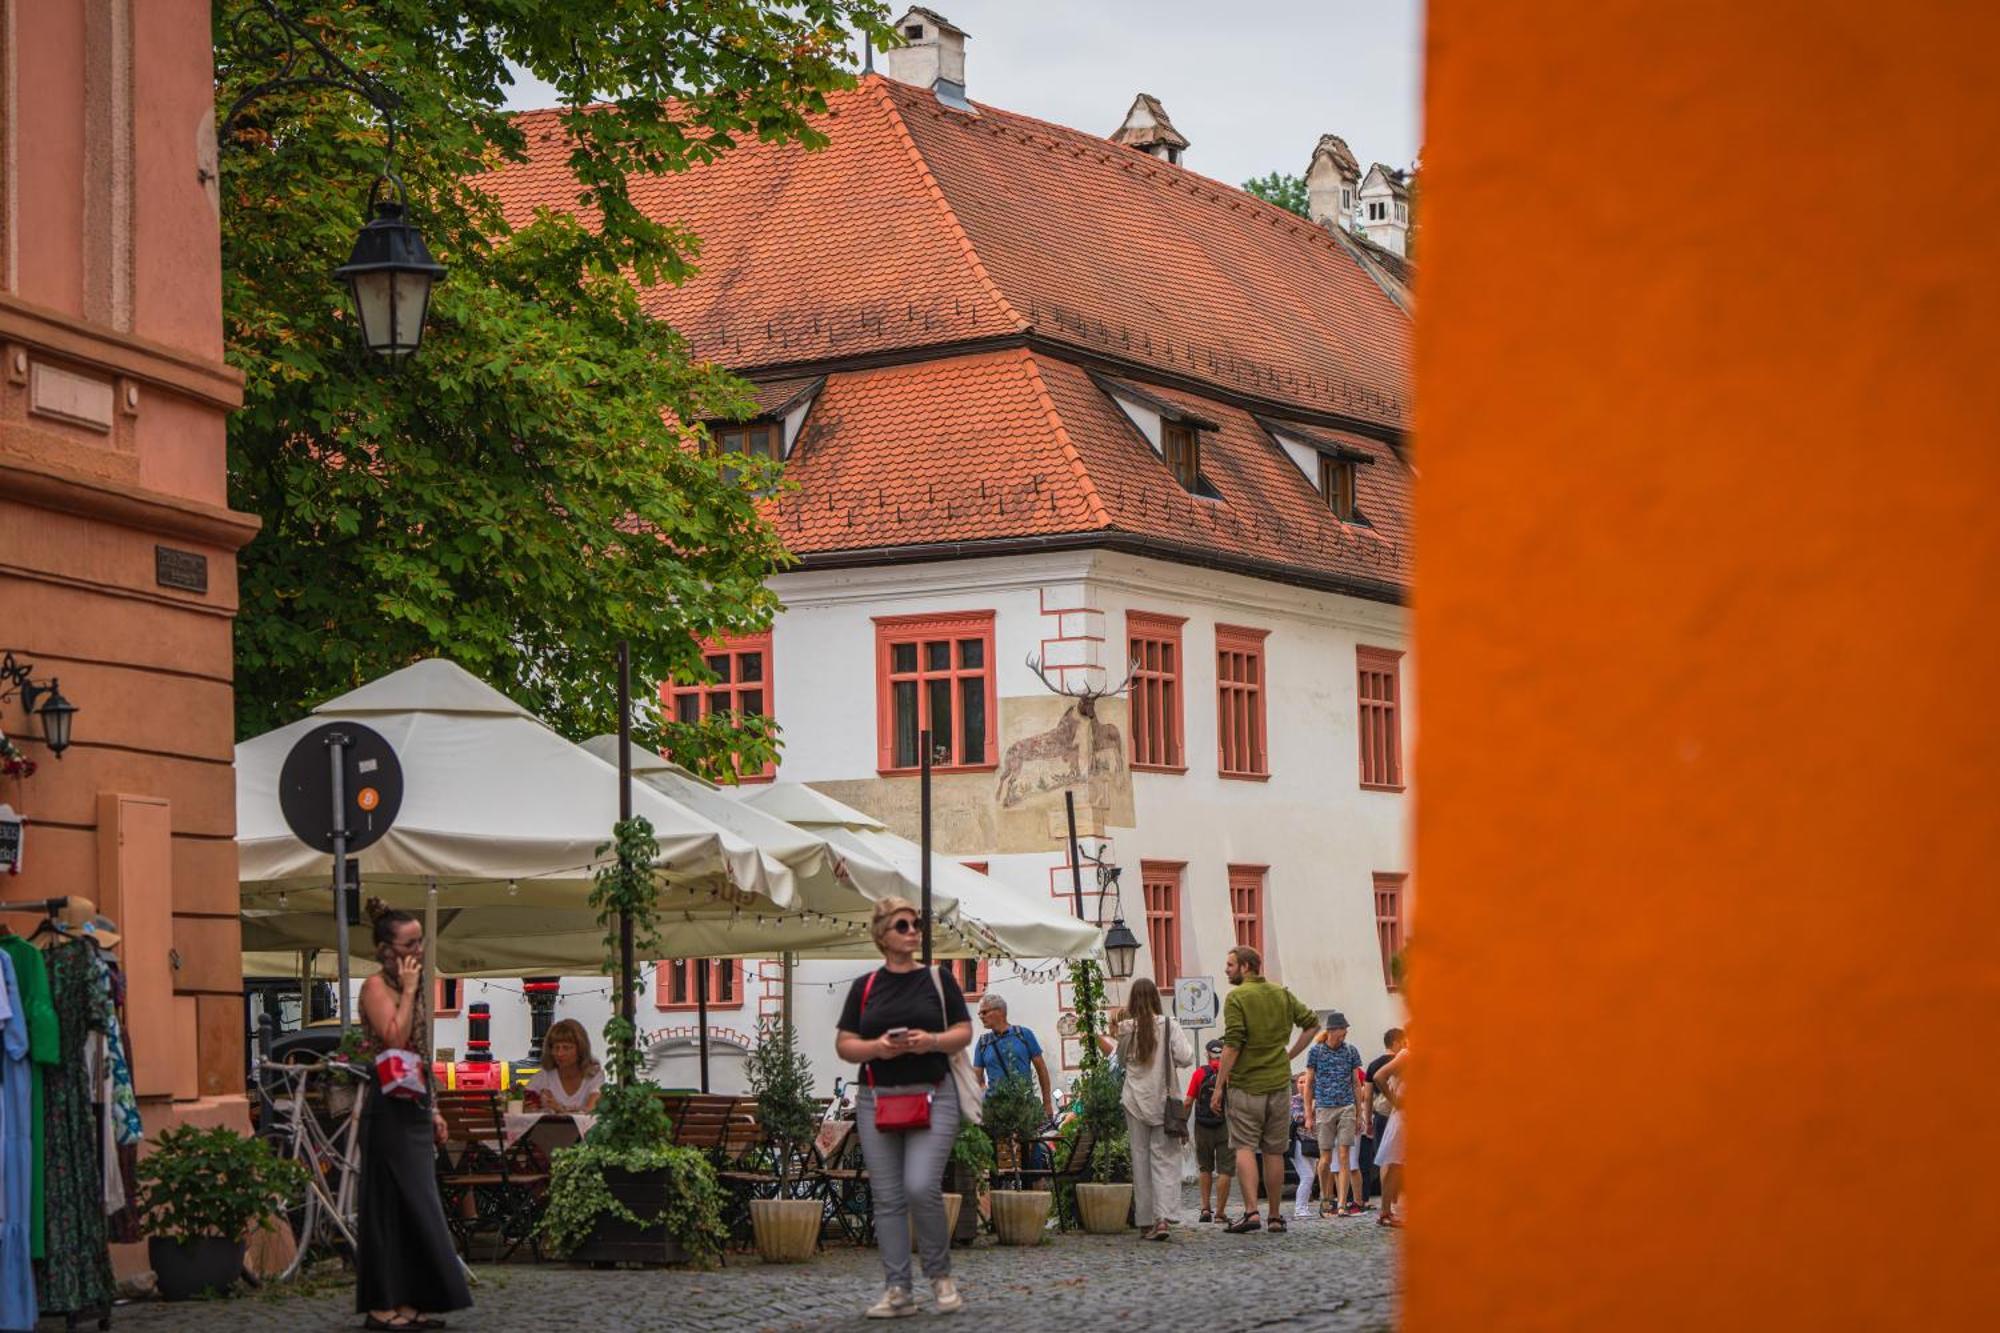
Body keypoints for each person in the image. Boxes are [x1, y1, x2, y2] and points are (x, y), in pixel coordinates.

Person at [835, 897, 974, 1318]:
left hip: (935, 1094)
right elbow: (845, 1044)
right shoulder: (865, 987)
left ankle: (940, 1276)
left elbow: (964, 1032)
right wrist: (878, 1047)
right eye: (903, 925)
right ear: (882, 935)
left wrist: (930, 1041)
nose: (913, 931)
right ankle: (898, 1290)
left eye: (916, 924)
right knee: (888, 1197)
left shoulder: (938, 979)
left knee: (919, 1186)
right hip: (877, 1098)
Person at [355, 902, 471, 1332]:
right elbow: (394, 1039)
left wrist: (435, 1107)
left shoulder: (414, 985)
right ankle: (382, 1305)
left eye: (421, 940)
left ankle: (413, 1301)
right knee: (387, 1205)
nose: (419, 950)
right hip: (387, 1108)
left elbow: (419, 1052)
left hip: (415, 1104)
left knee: (418, 1206)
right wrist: (406, 991)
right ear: (386, 949)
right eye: (410, 943)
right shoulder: (374, 987)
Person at [1210, 945, 1320, 1235]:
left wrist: (1219, 1085)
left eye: (1230, 965)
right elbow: (1311, 1024)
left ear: (1246, 967)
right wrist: (1289, 1054)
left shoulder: (1237, 998)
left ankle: (1250, 1213)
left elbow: (1233, 1044)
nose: (1227, 970)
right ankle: (1274, 1216)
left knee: (1244, 1146)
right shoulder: (1281, 994)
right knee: (1274, 1151)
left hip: (1247, 1085)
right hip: (1279, 1085)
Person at [1094, 977, 1193, 1240]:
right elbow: (1186, 1058)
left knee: (1140, 1160)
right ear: (1156, 999)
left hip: (1135, 1101)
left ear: (1132, 1001)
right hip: (1163, 1101)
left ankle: (1146, 1220)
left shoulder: (1126, 1029)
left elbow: (1119, 1060)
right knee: (1165, 1160)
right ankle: (1163, 1218)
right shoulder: (1170, 1025)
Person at [1305, 1013, 1369, 1216]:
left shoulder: (1351, 1051)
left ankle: (1342, 1204)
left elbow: (1356, 1084)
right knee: (1324, 1159)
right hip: (1324, 1108)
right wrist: (1308, 1114)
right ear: (1332, 1030)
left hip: (1346, 1107)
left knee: (1344, 1156)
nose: (1346, 1033)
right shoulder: (1316, 1052)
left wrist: (1359, 1114)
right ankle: (1326, 1198)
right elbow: (1308, 1085)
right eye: (1343, 1029)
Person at [971, 994, 1054, 1121]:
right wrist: (986, 1096)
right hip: (995, 1111)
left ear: (1000, 1011)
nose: (981, 1016)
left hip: (1024, 1108)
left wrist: (1047, 1104)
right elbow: (977, 1079)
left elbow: (1041, 1070)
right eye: (979, 1014)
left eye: (984, 1012)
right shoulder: (983, 1043)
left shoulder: (1024, 1035)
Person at [1185, 1039, 1234, 1222]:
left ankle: (1205, 1209)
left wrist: (1183, 1125)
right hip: (1225, 1125)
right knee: (1225, 1170)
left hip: (1202, 1126)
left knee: (1205, 1168)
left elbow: (1188, 1101)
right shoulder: (1230, 1074)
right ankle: (1220, 1213)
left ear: (1207, 1054)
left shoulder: (1199, 1073)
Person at [1358, 1028, 1406, 1208]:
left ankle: (1389, 1203)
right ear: (1396, 1042)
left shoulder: (1373, 1065)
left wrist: (1368, 1119)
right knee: (1398, 1159)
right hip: (1399, 1113)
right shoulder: (1401, 1060)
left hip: (1381, 1115)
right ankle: (1394, 1200)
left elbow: (1368, 1096)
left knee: (1386, 1158)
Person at [1371, 1033, 1411, 1229]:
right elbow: (1379, 1076)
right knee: (1395, 1165)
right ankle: (1385, 1212)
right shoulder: (1407, 1054)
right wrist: (1395, 1100)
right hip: (1405, 1116)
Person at [522, 1018, 603, 1113]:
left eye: (566, 1048)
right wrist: (531, 1106)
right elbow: (522, 1104)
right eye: (556, 1048)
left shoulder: (594, 1075)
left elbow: (591, 1112)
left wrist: (561, 1109)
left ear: (581, 1049)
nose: (560, 1053)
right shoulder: (544, 1075)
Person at [1289, 1072, 1317, 1220]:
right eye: (1300, 1082)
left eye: (1306, 1082)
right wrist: (1311, 1109)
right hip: (1298, 1142)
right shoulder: (1294, 1101)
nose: (1302, 1085)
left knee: (1310, 1176)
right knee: (1307, 1175)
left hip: (1313, 1143)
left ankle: (1304, 1206)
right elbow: (1298, 1118)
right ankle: (1299, 1209)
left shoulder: (1318, 1100)